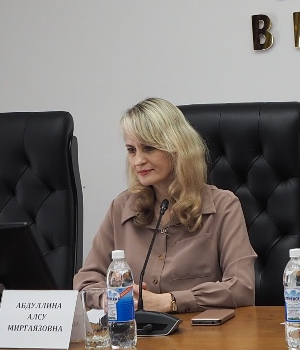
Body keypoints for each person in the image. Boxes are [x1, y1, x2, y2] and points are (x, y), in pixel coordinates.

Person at [74, 98, 256, 313]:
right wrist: (105, 298)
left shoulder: (223, 206)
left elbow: (242, 288)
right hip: (135, 331)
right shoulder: (122, 207)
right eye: (131, 150)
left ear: (177, 148)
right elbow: (86, 281)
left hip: (201, 332)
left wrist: (170, 301)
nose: (138, 161)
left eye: (148, 148)